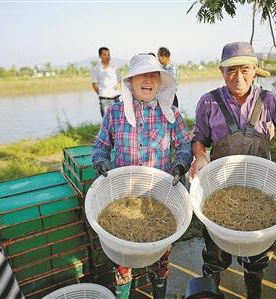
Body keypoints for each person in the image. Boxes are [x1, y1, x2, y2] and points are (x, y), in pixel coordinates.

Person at [188, 42, 276, 299]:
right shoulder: (208, 102)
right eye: (231, 71)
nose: (238, 77)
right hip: (219, 189)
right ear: (222, 72)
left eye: (245, 70)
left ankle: (253, 288)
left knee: (256, 257)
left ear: (255, 70)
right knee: (215, 255)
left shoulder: (270, 102)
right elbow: (199, 137)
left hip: (261, 189)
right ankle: (212, 288)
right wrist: (200, 155)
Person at [91, 53, 193, 299]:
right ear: (131, 81)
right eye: (142, 75)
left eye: (153, 75)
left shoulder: (171, 115)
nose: (148, 80)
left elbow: (184, 146)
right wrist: (101, 160)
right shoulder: (115, 114)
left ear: (160, 81)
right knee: (124, 261)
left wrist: (180, 165)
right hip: (123, 199)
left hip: (160, 199)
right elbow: (100, 145)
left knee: (159, 260)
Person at [92, 47, 122, 117]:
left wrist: (117, 85)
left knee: (118, 120)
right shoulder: (96, 69)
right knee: (106, 122)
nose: (107, 56)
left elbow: (119, 80)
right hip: (104, 100)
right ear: (100, 56)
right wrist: (102, 93)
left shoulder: (115, 68)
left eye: (108, 54)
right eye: (105, 54)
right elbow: (94, 84)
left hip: (116, 99)